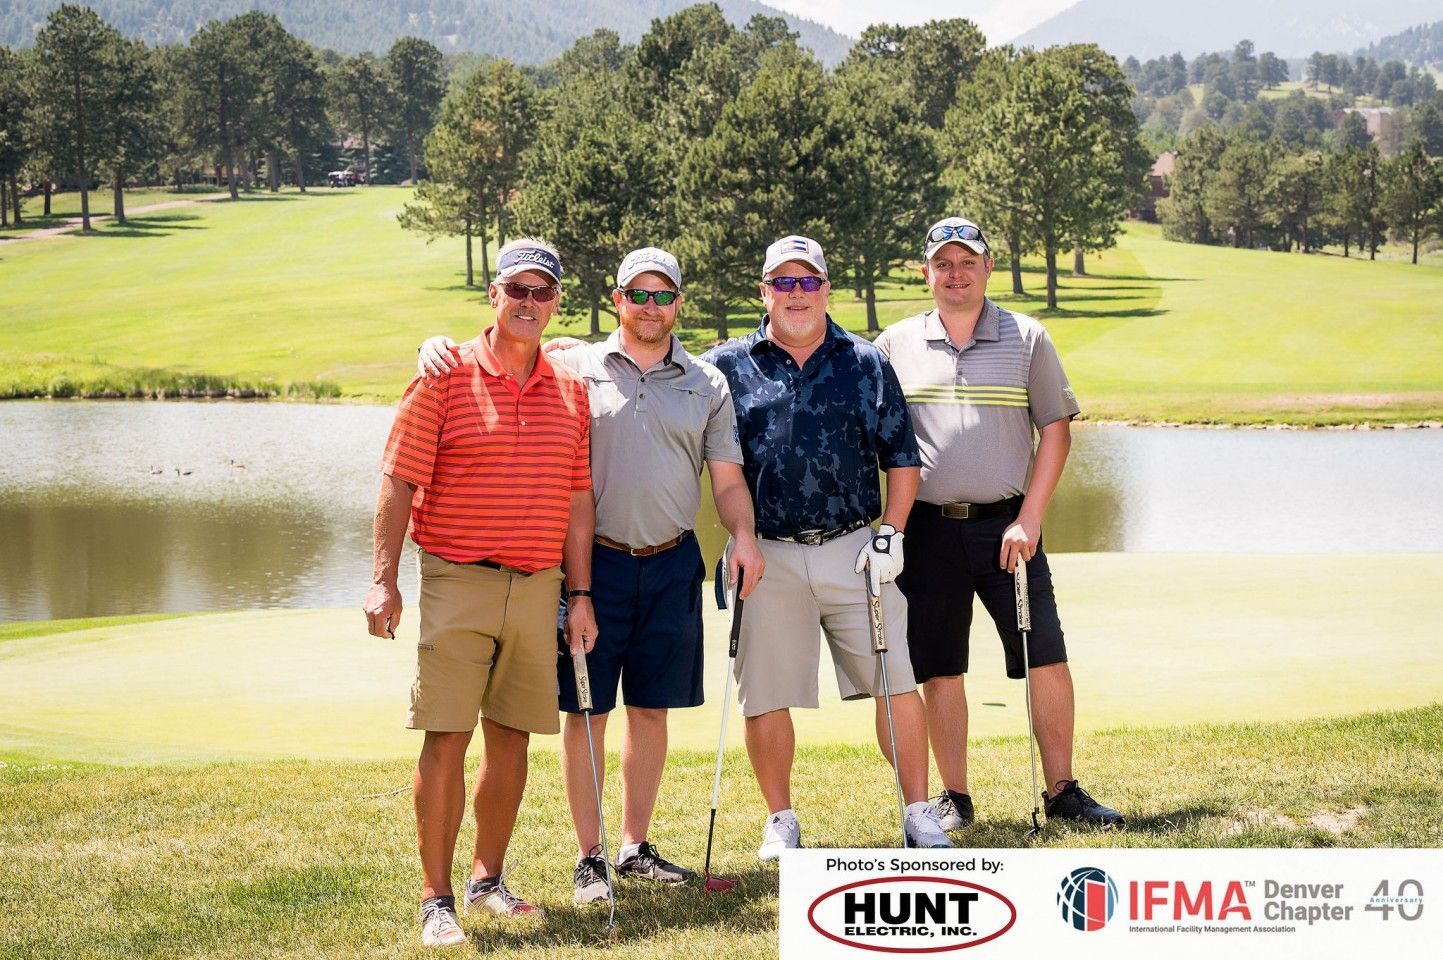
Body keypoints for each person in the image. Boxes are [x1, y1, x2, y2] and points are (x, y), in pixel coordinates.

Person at [415, 247, 765, 905]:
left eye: (664, 296)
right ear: (617, 301)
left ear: (678, 304)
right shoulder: (574, 365)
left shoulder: (705, 383)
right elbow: (502, 349)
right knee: (588, 710)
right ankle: (590, 857)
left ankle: (634, 846)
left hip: (672, 560)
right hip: (590, 564)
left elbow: (726, 479)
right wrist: (438, 345)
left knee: (652, 709)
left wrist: (742, 535)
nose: (651, 307)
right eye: (638, 295)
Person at [364, 238, 597, 949]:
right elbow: (398, 480)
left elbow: (577, 499)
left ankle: (487, 879)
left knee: (512, 737)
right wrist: (381, 579)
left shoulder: (570, 390)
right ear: (493, 295)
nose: (529, 303)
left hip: (538, 586)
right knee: (446, 734)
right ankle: (436, 900)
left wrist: (579, 592)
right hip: (457, 578)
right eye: (516, 289)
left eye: (543, 292)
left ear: (556, 303)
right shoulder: (441, 375)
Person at [701, 235, 951, 857]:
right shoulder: (727, 367)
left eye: (807, 281)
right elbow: (650, 355)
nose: (796, 294)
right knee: (765, 691)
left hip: (856, 548)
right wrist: (573, 353)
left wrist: (891, 531)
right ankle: (781, 820)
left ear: (826, 289)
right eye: (782, 283)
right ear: (764, 292)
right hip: (767, 554)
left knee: (895, 684)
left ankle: (919, 812)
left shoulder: (866, 362)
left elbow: (902, 458)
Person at [875, 216, 1125, 831]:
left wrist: (1031, 519)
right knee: (940, 668)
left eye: (967, 262)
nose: (955, 274)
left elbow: (1057, 432)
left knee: (1046, 656)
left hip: (1009, 530)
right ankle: (953, 796)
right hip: (927, 531)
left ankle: (1062, 790)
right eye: (943, 264)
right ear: (926, 271)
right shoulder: (894, 345)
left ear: (988, 267)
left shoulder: (1027, 337)